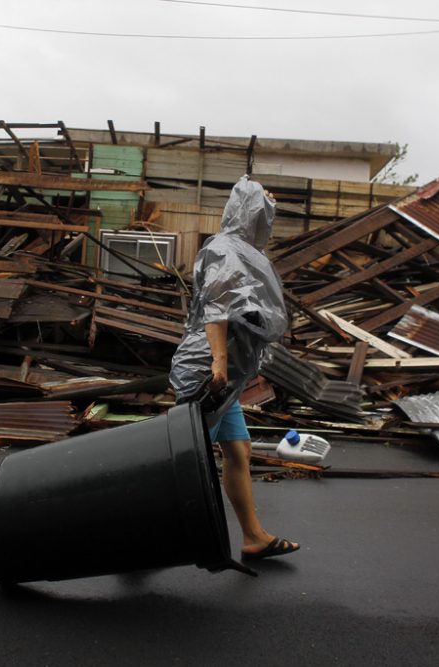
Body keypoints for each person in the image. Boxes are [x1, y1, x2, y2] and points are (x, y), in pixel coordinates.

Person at [170, 175, 299, 561]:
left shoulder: (244, 253)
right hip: (207, 373)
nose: (266, 224)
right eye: (262, 214)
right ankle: (135, 539)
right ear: (247, 215)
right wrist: (220, 364)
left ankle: (254, 536)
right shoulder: (224, 248)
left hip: (227, 375)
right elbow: (217, 310)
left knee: (238, 450)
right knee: (183, 465)